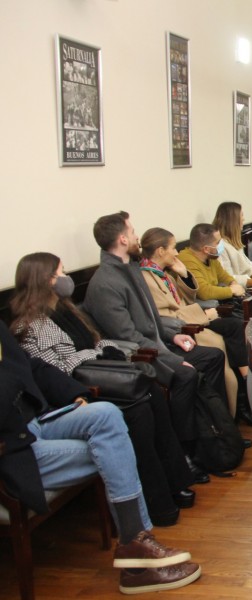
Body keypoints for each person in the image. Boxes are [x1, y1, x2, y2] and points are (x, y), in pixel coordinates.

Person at [0, 322, 201, 594]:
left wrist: (75, 394)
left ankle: (134, 546)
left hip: (35, 423)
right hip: (12, 448)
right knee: (116, 450)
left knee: (106, 413)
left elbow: (32, 366)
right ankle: (136, 555)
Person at [10, 252, 197, 526]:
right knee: (138, 413)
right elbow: (51, 371)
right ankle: (157, 503)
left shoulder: (66, 309)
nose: (66, 279)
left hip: (98, 374)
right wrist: (90, 354)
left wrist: (98, 350)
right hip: (75, 389)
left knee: (152, 393)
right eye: (60, 273)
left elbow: (94, 342)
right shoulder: (26, 327)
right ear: (44, 280)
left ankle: (176, 479)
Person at [83, 211, 227, 480]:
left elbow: (150, 319)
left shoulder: (131, 269)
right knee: (186, 374)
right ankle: (187, 450)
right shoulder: (105, 283)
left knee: (212, 356)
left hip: (157, 344)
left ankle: (217, 432)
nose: (138, 236)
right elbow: (128, 336)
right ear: (123, 239)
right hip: (138, 357)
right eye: (133, 231)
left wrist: (173, 337)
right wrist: (172, 359)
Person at [139, 227, 252, 426]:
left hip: (191, 320)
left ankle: (236, 407)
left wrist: (184, 274)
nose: (176, 253)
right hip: (181, 329)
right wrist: (203, 315)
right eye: (173, 248)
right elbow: (167, 316)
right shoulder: (147, 278)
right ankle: (227, 417)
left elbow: (187, 298)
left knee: (234, 329)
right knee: (218, 346)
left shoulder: (163, 273)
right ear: (160, 251)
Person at [178, 223, 246, 302]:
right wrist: (231, 290)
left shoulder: (210, 257)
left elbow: (223, 276)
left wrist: (233, 283)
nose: (221, 244)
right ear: (206, 249)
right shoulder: (187, 260)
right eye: (218, 242)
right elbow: (204, 292)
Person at [212, 201, 252, 287]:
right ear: (232, 220)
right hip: (236, 290)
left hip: (246, 285)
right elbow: (227, 278)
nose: (243, 219)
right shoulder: (220, 246)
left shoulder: (234, 241)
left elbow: (248, 265)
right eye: (241, 215)